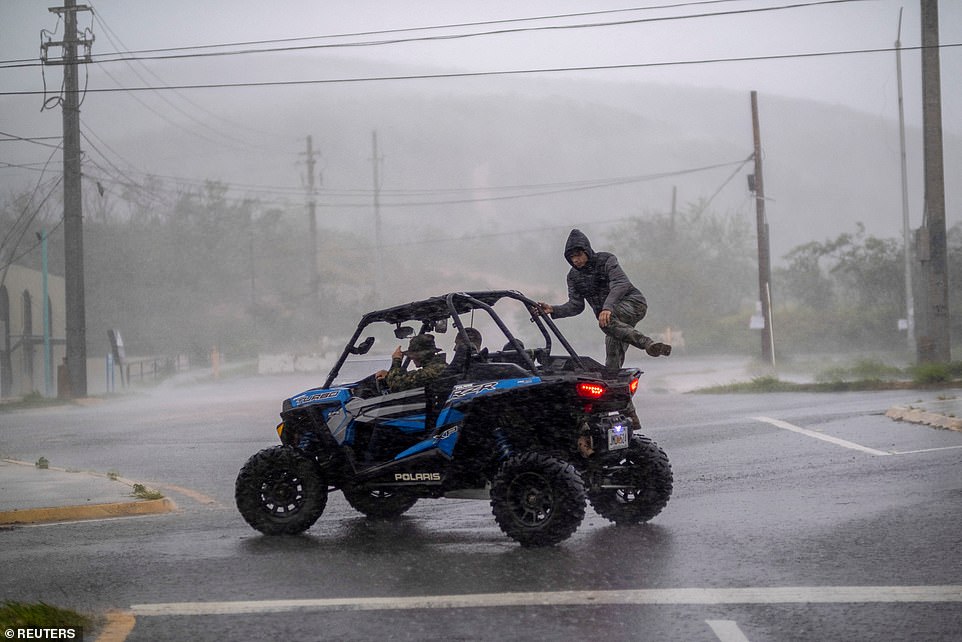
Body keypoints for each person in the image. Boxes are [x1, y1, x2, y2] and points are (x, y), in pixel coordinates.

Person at [536, 228, 670, 370]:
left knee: (606, 323)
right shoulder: (573, 277)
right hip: (610, 319)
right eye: (572, 257)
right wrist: (553, 309)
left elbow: (620, 284)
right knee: (612, 356)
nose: (575, 260)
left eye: (579, 255)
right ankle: (614, 386)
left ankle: (647, 343)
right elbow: (576, 306)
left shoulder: (606, 260)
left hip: (633, 303)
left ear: (587, 251)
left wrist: (607, 308)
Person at [375, 333, 448, 392]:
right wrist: (389, 375)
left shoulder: (434, 370)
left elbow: (397, 384)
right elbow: (409, 378)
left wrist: (396, 361)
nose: (412, 358)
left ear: (422, 355)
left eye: (413, 355)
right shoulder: (437, 367)